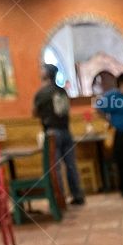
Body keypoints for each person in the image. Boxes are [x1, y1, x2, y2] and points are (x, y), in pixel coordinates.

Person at [32, 64, 85, 205]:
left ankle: (59, 199)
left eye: (41, 70)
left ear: (46, 74)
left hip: (51, 132)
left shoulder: (42, 93)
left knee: (54, 167)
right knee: (71, 165)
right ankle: (77, 195)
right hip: (66, 130)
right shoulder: (62, 91)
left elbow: (34, 112)